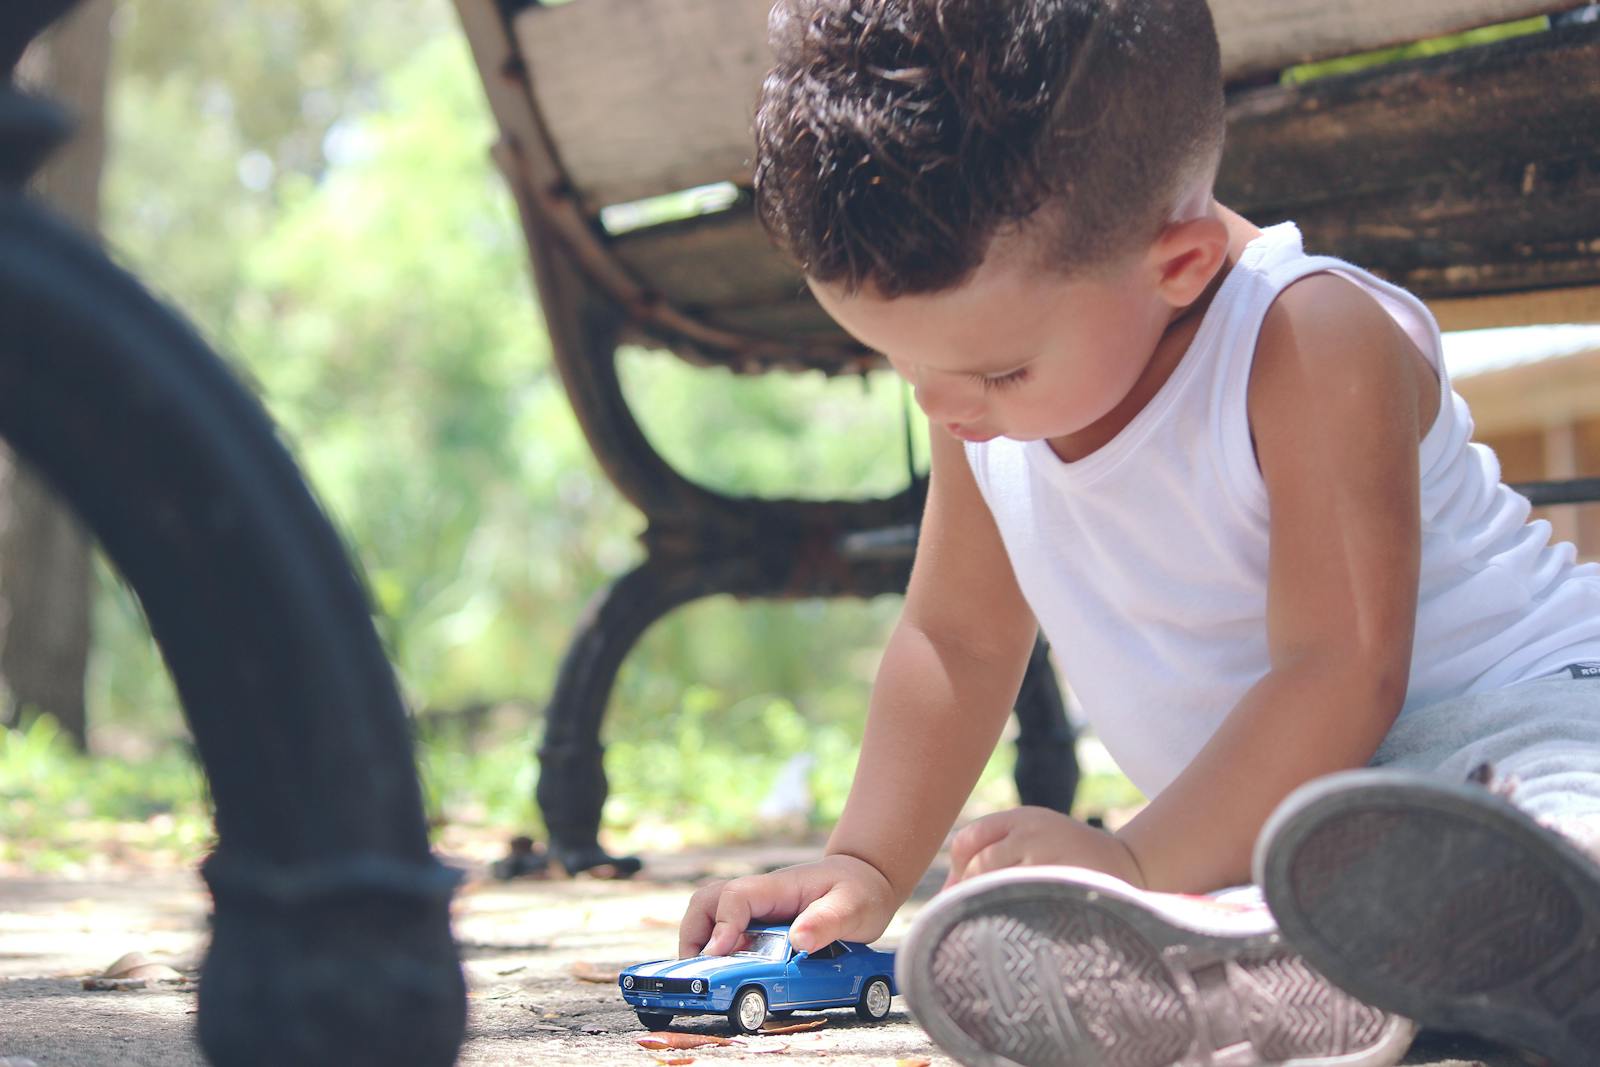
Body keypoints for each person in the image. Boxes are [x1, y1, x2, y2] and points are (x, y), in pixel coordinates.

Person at [677, 2, 1600, 1064]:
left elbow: (1338, 672)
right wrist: (867, 863)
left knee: (1555, 819)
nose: (942, 407)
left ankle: (1497, 912)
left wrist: (1132, 862)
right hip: (1292, 830)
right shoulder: (985, 403)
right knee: (1291, 888)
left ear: (1182, 263)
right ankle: (1307, 970)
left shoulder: (1305, 338)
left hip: (1518, 725)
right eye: (900, 366)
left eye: (993, 369)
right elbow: (956, 641)